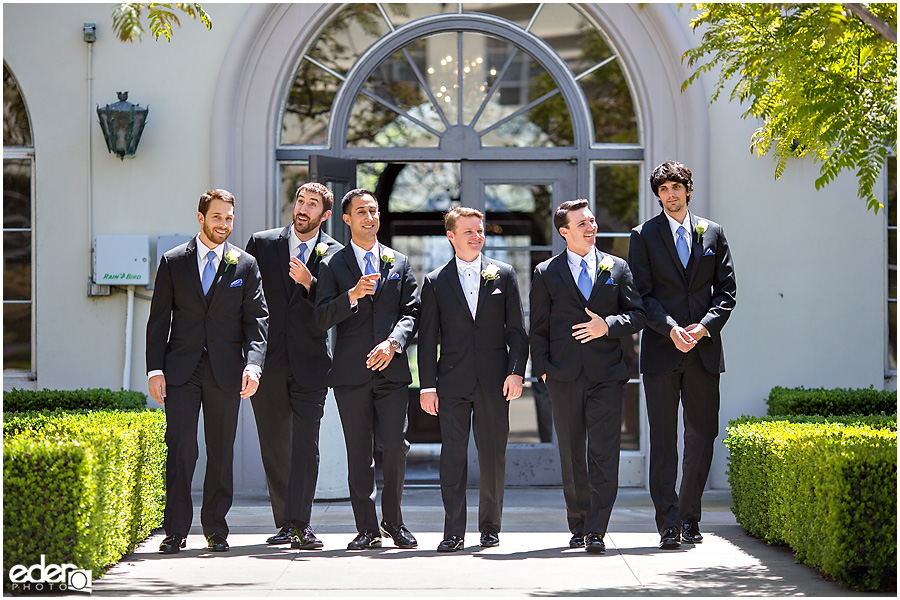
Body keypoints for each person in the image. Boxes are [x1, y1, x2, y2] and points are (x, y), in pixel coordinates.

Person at [146, 189, 268, 554]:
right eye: (218, 217)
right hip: (180, 370)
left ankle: (216, 528)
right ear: (201, 218)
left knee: (221, 451)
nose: (224, 225)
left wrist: (254, 364)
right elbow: (158, 320)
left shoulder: (244, 264)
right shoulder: (173, 261)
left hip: (226, 371)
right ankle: (175, 530)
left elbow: (257, 321)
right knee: (181, 448)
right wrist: (155, 369)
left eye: (229, 218)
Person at [627, 161, 736, 550]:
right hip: (661, 350)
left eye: (676, 187)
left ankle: (690, 516)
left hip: (704, 350)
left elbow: (726, 292)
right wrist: (671, 328)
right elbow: (642, 294)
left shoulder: (714, 233)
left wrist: (703, 326)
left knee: (702, 435)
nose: (670, 194)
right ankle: (667, 523)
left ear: (688, 189)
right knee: (663, 438)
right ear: (657, 195)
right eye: (663, 189)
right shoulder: (643, 235)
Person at [530, 199, 645, 554]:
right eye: (582, 223)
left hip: (607, 376)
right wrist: (544, 370)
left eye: (592, 221)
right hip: (563, 377)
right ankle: (578, 523)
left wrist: (607, 326)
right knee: (571, 453)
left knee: (604, 453)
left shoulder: (618, 267)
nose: (591, 227)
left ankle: (597, 528)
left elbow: (637, 315)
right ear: (565, 231)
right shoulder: (546, 272)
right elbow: (538, 328)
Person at [313, 188, 420, 550]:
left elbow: (412, 313)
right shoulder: (332, 265)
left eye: (373, 211)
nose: (369, 217)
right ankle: (367, 529)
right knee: (359, 452)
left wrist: (393, 343)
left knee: (394, 446)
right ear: (347, 220)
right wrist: (352, 296)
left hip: (392, 373)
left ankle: (395, 522)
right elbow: (320, 317)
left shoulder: (399, 262)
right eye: (361, 212)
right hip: (351, 374)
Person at [418, 207, 528, 552]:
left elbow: (518, 332)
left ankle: (490, 528)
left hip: (496, 382)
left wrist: (516, 372)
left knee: (493, 456)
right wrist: (427, 385)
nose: (477, 236)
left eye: (479, 231)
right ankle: (453, 532)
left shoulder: (505, 274)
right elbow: (427, 338)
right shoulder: (435, 281)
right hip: (451, 382)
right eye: (468, 232)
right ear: (451, 236)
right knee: (452, 458)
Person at [245, 182, 342, 550]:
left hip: (311, 363)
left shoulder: (336, 253)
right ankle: (285, 522)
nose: (303, 208)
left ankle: (301, 524)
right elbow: (249, 303)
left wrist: (310, 283)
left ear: (325, 214)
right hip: (266, 362)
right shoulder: (262, 243)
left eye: (312, 204)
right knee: (274, 446)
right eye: (301, 201)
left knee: (306, 445)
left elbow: (335, 309)